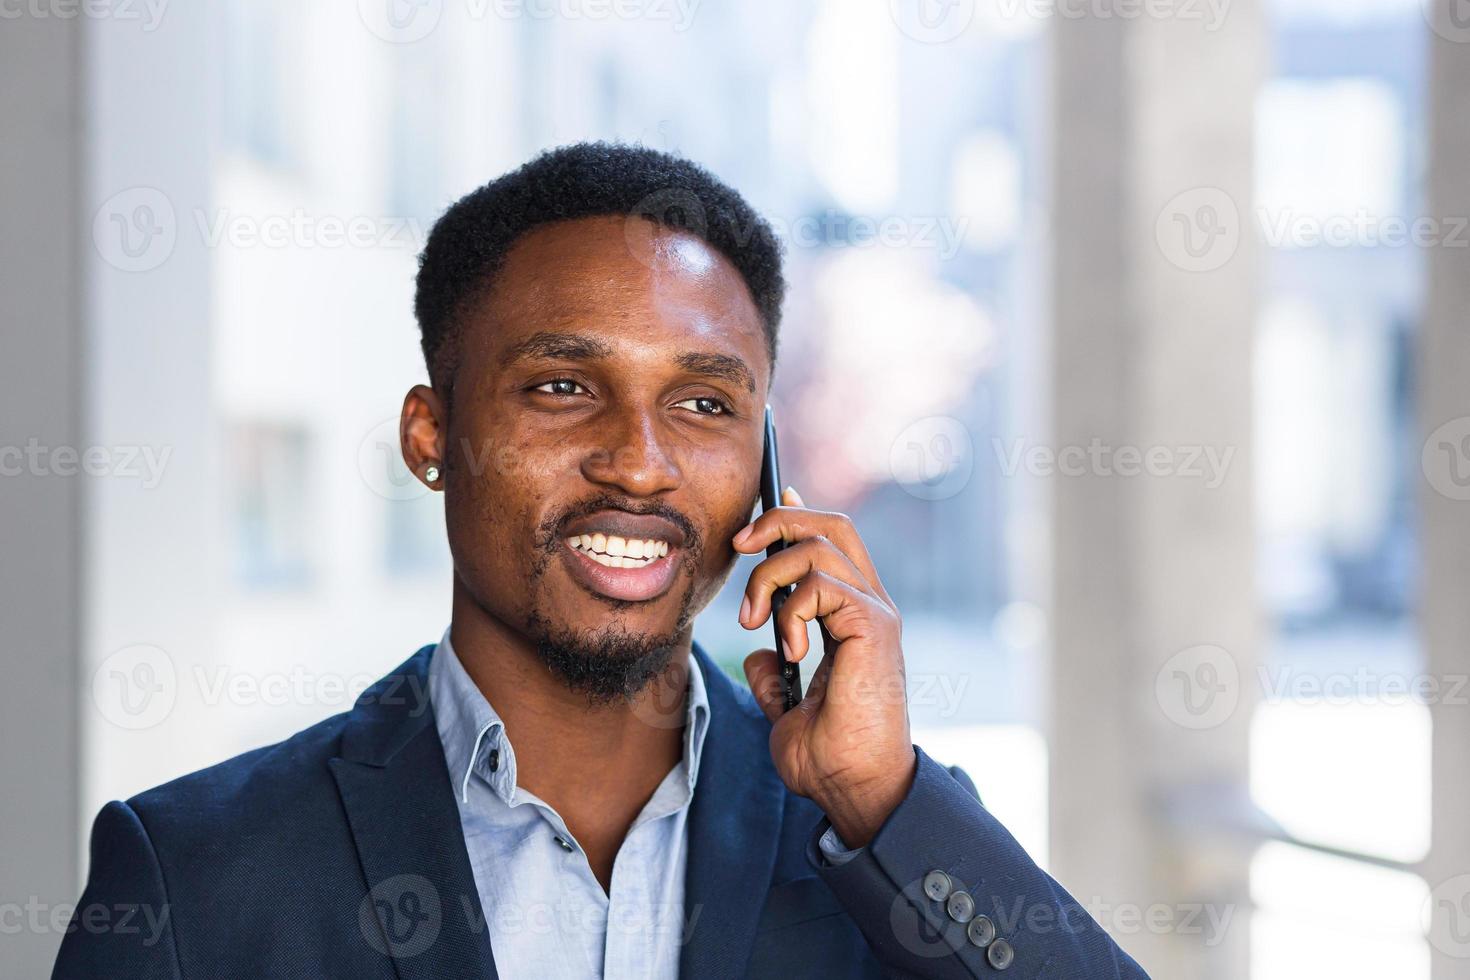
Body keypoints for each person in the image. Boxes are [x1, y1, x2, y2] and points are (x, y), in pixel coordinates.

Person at [54, 143, 1148, 979]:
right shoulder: (196, 872)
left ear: (769, 471)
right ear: (431, 437)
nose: (640, 462)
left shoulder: (883, 836)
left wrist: (879, 794)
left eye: (705, 402)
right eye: (564, 387)